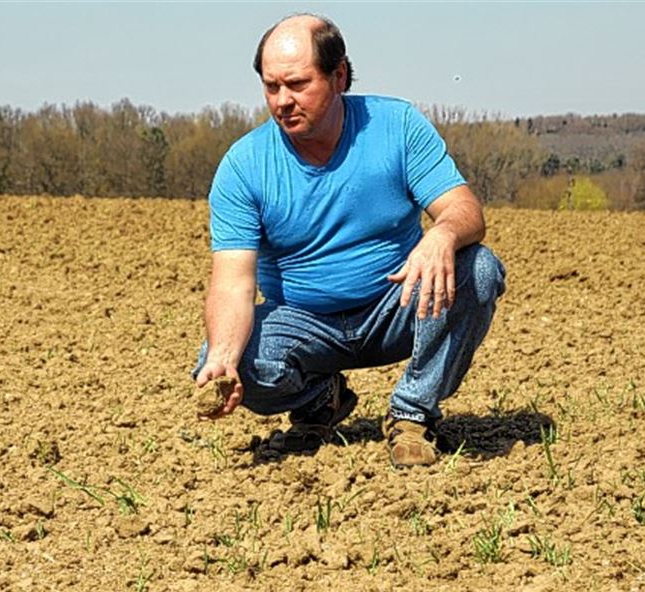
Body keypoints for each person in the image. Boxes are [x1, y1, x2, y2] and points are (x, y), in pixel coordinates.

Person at [192, 13, 506, 468]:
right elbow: (232, 284)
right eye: (271, 87)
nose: (283, 101)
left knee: (478, 269)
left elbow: (464, 209)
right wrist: (223, 357)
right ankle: (320, 398)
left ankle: (413, 413)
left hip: (398, 305)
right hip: (304, 324)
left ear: (339, 76)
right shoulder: (244, 166)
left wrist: (443, 234)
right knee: (228, 354)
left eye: (298, 84)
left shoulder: (396, 126)